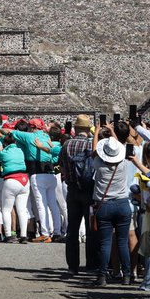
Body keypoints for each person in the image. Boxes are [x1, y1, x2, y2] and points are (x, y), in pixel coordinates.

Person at [89, 134, 133, 286]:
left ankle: (102, 276)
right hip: (122, 204)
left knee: (105, 243)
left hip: (104, 205)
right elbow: (121, 146)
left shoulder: (98, 164)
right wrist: (113, 132)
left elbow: (94, 152)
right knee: (122, 242)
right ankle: (127, 275)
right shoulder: (124, 164)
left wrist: (97, 133)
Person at [60, 114, 99, 277]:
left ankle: (72, 266)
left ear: (76, 129)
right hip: (89, 190)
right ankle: (91, 264)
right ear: (88, 129)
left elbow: (62, 165)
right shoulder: (91, 144)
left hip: (73, 189)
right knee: (91, 230)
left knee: (72, 229)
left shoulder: (67, 144)